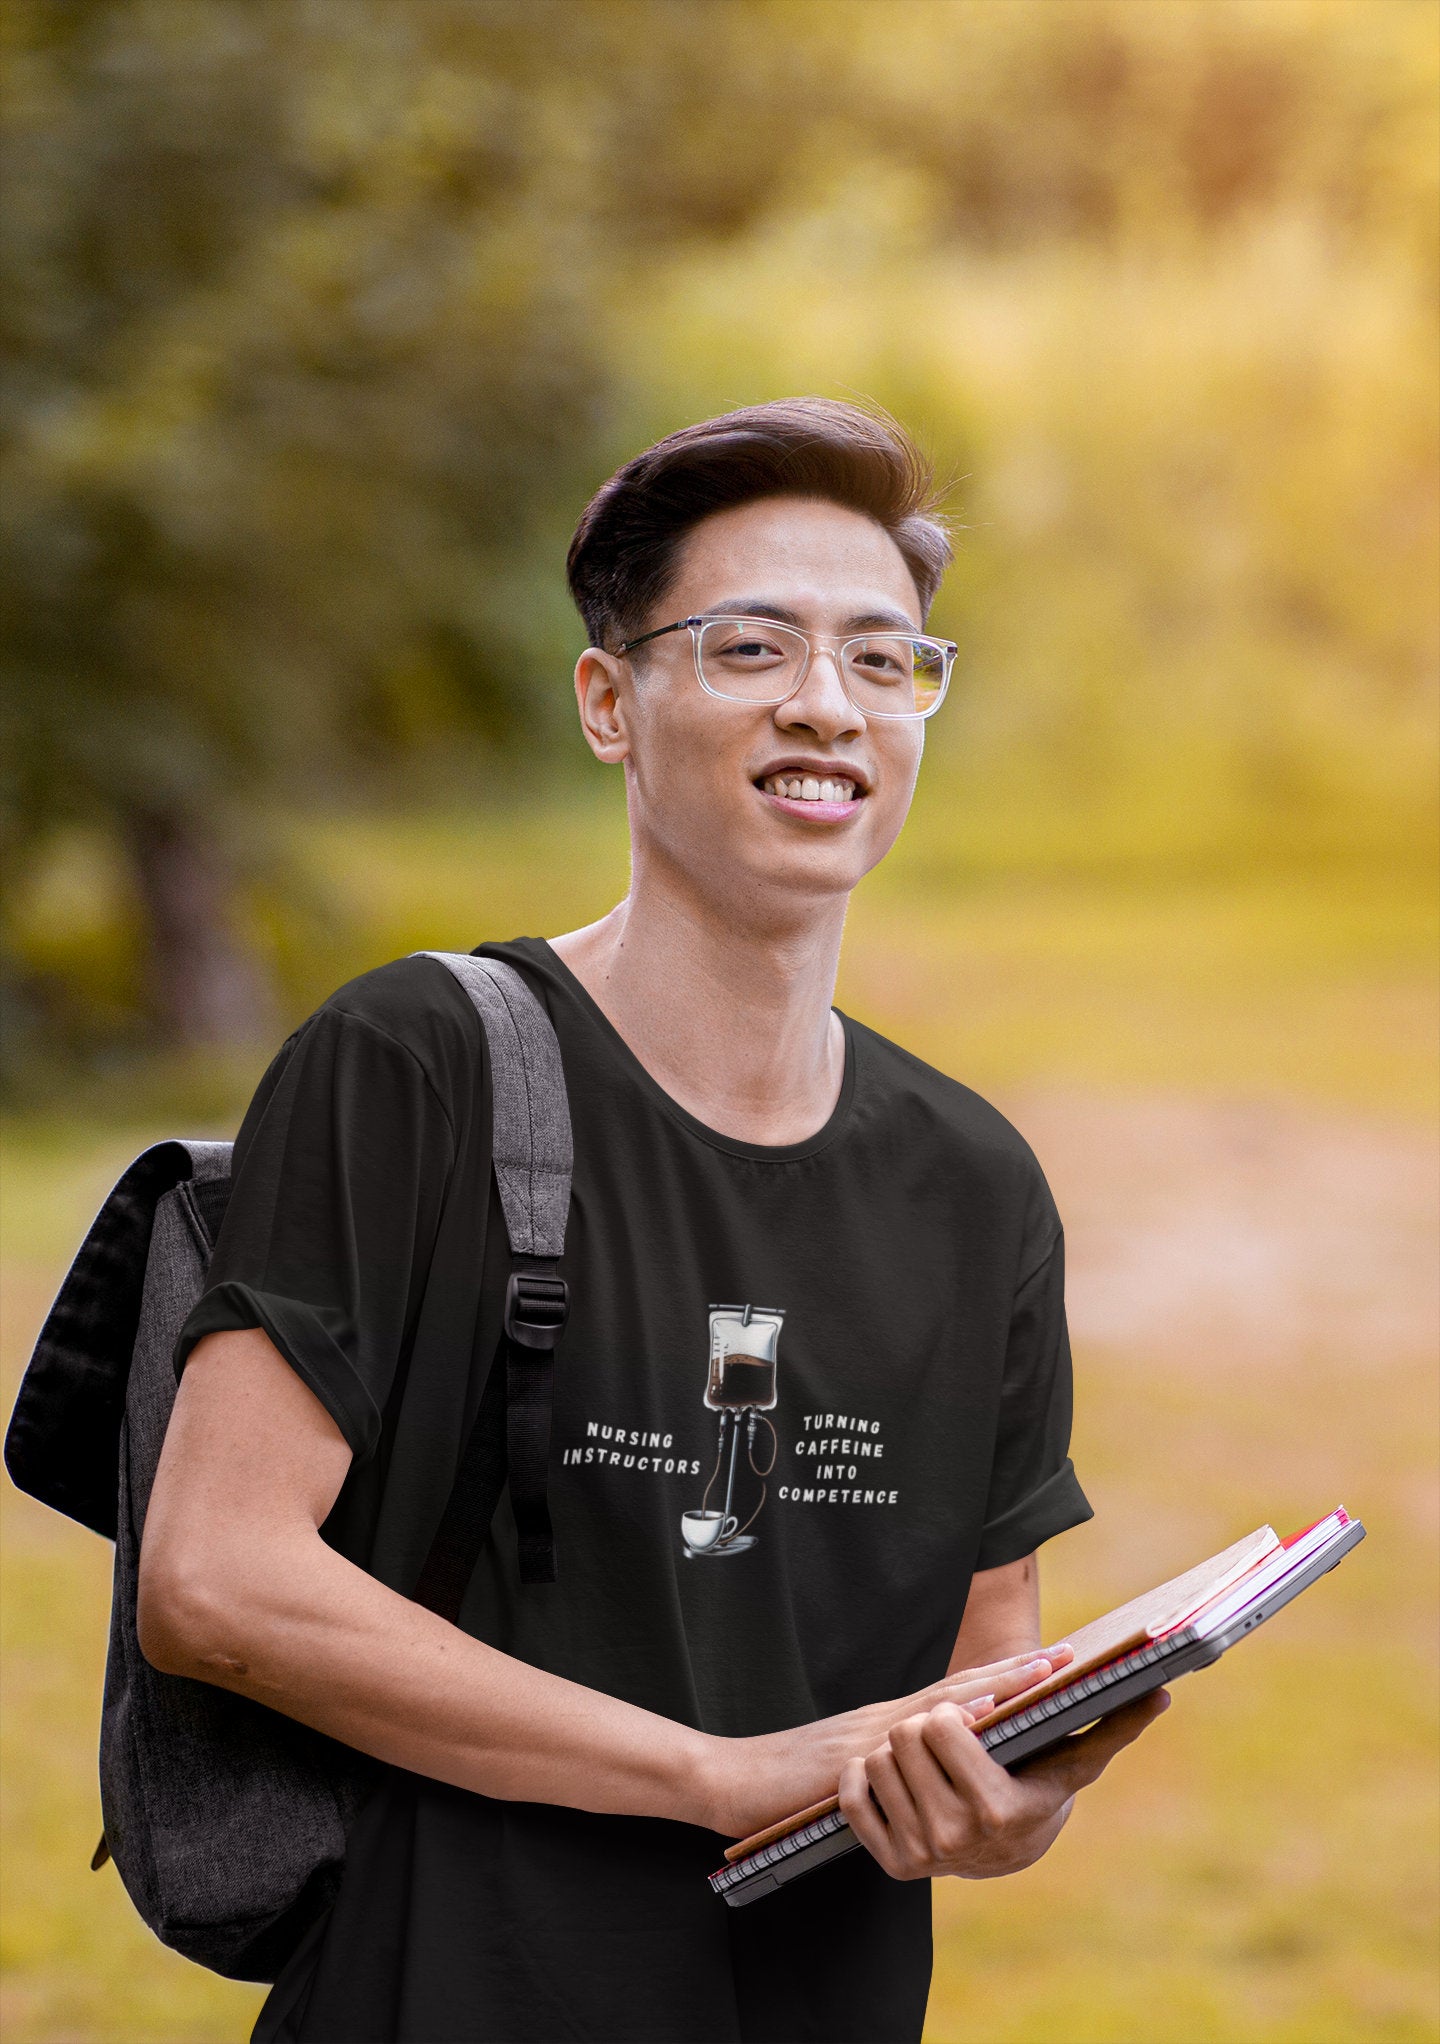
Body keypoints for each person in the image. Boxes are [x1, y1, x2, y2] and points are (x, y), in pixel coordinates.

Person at [138, 398, 1167, 2044]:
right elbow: (216, 1579)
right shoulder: (420, 1063)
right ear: (610, 702)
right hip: (446, 1998)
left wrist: (1011, 1798)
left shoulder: (977, 1187)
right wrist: (717, 1779)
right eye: (751, 647)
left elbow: (983, 1674)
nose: (827, 705)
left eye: (885, 661)